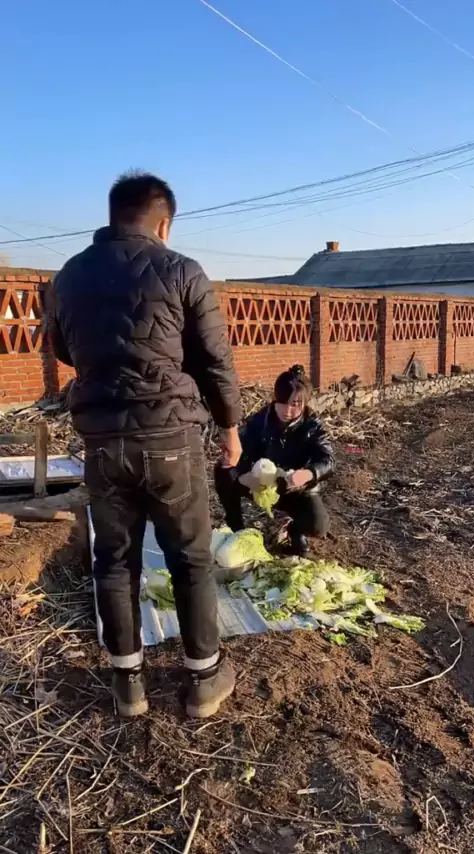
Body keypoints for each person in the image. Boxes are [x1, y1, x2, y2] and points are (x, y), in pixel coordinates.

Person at [50, 172, 242, 719]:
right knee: (191, 558)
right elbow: (213, 359)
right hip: (170, 438)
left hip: (103, 441)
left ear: (113, 215)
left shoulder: (68, 276)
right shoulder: (182, 270)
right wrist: (229, 427)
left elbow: (63, 349)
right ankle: (203, 679)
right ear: (163, 224)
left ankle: (127, 683)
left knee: (113, 561)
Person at [215, 365, 334, 556]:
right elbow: (242, 452)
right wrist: (246, 475)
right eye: (282, 402)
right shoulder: (259, 421)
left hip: (295, 488)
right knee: (224, 469)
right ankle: (236, 528)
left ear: (304, 404)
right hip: (263, 485)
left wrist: (308, 474)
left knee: (318, 527)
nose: (287, 410)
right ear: (275, 398)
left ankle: (294, 531)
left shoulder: (312, 426)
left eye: (295, 404)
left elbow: (328, 460)